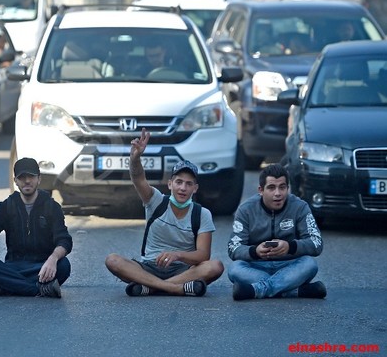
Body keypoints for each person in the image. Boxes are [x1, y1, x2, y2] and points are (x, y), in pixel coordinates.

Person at [105, 129, 224, 297]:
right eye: (179, 182)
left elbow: (203, 255)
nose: (183, 188)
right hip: (148, 268)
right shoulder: (156, 201)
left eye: (189, 184)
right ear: (170, 184)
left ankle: (151, 288)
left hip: (183, 271)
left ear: (195, 188)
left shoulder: (202, 213)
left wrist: (177, 255)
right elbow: (138, 178)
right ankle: (176, 288)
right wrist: (135, 158)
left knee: (215, 266)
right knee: (113, 260)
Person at [0, 157, 73, 298]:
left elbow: (64, 240)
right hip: (13, 267)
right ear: (16, 181)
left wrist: (53, 259)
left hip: (42, 268)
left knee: (64, 265)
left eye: (31, 176)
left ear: (39, 179)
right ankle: (37, 290)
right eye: (22, 177)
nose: (27, 181)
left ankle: (6, 287)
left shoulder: (51, 206)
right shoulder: (7, 206)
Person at [227, 164, 325, 301]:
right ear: (261, 190)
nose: (278, 193)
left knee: (310, 264)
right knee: (234, 269)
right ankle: (292, 290)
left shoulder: (300, 207)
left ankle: (256, 289)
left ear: (288, 188)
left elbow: (316, 243)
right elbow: (233, 248)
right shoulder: (245, 209)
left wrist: (290, 247)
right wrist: (255, 251)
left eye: (282, 187)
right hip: (257, 266)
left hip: (290, 265)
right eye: (271, 188)